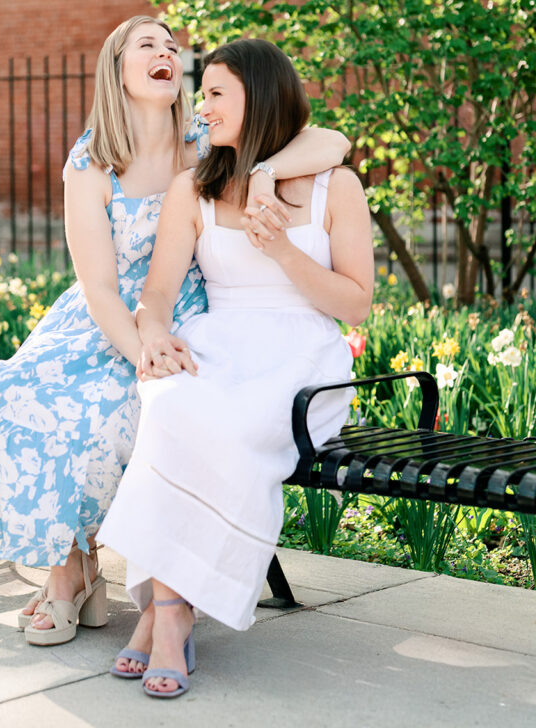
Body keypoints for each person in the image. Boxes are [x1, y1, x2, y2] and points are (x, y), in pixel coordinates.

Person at [0, 17, 351, 648]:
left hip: (192, 314)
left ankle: (79, 579)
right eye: (146, 44)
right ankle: (71, 568)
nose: (165, 53)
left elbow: (332, 142)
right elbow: (97, 286)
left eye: (171, 46)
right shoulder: (91, 162)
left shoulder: (204, 139)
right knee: (19, 394)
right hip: (109, 316)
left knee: (109, 408)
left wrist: (264, 170)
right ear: (117, 69)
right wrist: (139, 344)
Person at [97, 37, 374, 698]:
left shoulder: (338, 186)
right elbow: (159, 290)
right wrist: (155, 335)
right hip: (219, 339)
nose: (204, 106)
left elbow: (355, 305)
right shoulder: (194, 185)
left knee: (222, 419)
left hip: (303, 358)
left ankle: (162, 618)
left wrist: (280, 249)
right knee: (172, 403)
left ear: (260, 97)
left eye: (219, 93)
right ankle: (171, 611)